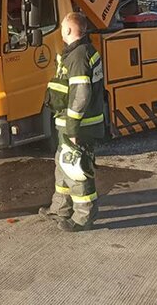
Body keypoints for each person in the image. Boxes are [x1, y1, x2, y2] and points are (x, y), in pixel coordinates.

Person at [38, 12, 106, 232]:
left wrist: (72, 127)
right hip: (70, 123)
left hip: (79, 126)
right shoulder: (79, 52)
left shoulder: (78, 56)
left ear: (68, 30)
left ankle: (84, 216)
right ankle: (60, 208)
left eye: (62, 28)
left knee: (76, 169)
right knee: (62, 165)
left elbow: (81, 95)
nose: (61, 31)